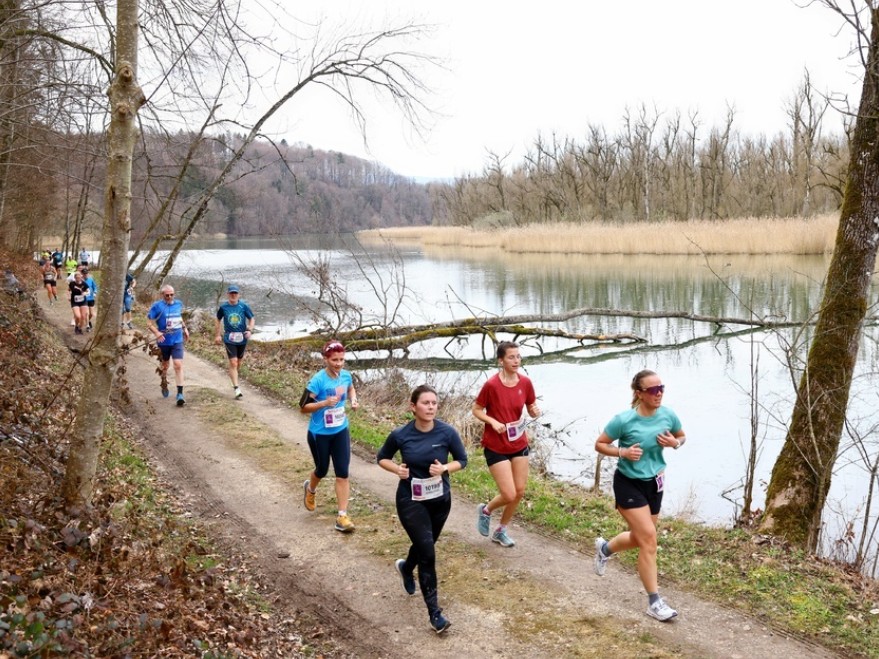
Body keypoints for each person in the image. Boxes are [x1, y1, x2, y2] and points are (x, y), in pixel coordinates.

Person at [593, 369, 686, 622]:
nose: (659, 394)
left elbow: (681, 436)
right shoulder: (624, 420)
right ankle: (654, 602)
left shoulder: (668, 414)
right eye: (654, 390)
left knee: (640, 537)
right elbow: (600, 444)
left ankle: (605, 548)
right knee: (649, 541)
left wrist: (674, 444)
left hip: (654, 484)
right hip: (628, 484)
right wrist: (622, 452)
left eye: (662, 388)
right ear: (639, 394)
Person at [377, 384, 467, 634]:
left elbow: (463, 460)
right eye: (425, 403)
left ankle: (406, 567)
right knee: (428, 553)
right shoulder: (401, 434)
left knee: (426, 544)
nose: (430, 407)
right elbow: (381, 457)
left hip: (440, 500)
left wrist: (445, 469)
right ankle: (435, 614)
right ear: (413, 406)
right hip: (410, 500)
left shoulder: (447, 433)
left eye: (434, 403)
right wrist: (397, 469)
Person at [472, 340, 540, 548]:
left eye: (518, 356)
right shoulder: (491, 385)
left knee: (519, 492)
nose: (516, 360)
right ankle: (486, 510)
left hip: (518, 442)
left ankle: (501, 530)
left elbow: (531, 406)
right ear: (501, 361)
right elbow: (476, 410)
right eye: (511, 357)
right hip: (495, 445)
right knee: (508, 493)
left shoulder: (525, 382)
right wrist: (493, 422)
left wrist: (535, 411)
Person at [299, 340, 360, 533]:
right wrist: (324, 403)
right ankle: (311, 489)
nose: (339, 363)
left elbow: (350, 387)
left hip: (341, 430)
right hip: (319, 434)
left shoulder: (346, 376)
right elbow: (303, 407)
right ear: (326, 359)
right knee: (323, 469)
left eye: (342, 359)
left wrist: (353, 399)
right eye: (334, 360)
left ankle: (342, 516)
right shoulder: (318, 380)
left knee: (342, 472)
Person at [146, 284, 190, 406]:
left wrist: (184, 328)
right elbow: (149, 323)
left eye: (172, 295)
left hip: (177, 340)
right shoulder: (157, 306)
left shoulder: (178, 304)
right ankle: (164, 382)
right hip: (164, 341)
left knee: (178, 365)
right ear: (162, 295)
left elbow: (179, 317)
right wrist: (157, 332)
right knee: (165, 365)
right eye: (167, 295)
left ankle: (180, 394)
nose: (170, 297)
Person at [214, 284, 255, 399]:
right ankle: (236, 388)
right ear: (228, 294)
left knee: (238, 363)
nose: (233, 295)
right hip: (229, 338)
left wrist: (250, 330)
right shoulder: (223, 307)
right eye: (231, 293)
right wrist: (217, 334)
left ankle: (233, 376)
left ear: (238, 295)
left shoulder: (243, 306)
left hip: (242, 338)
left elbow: (252, 318)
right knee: (233, 362)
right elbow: (217, 319)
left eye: (235, 293)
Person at [68, 270, 89, 334]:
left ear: (81, 277)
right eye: (76, 277)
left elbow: (88, 290)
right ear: (75, 278)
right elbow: (68, 290)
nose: (78, 278)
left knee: (83, 316)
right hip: (75, 301)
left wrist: (85, 293)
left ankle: (79, 328)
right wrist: (68, 296)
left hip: (83, 301)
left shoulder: (84, 283)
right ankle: (77, 326)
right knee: (78, 316)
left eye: (79, 277)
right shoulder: (72, 283)